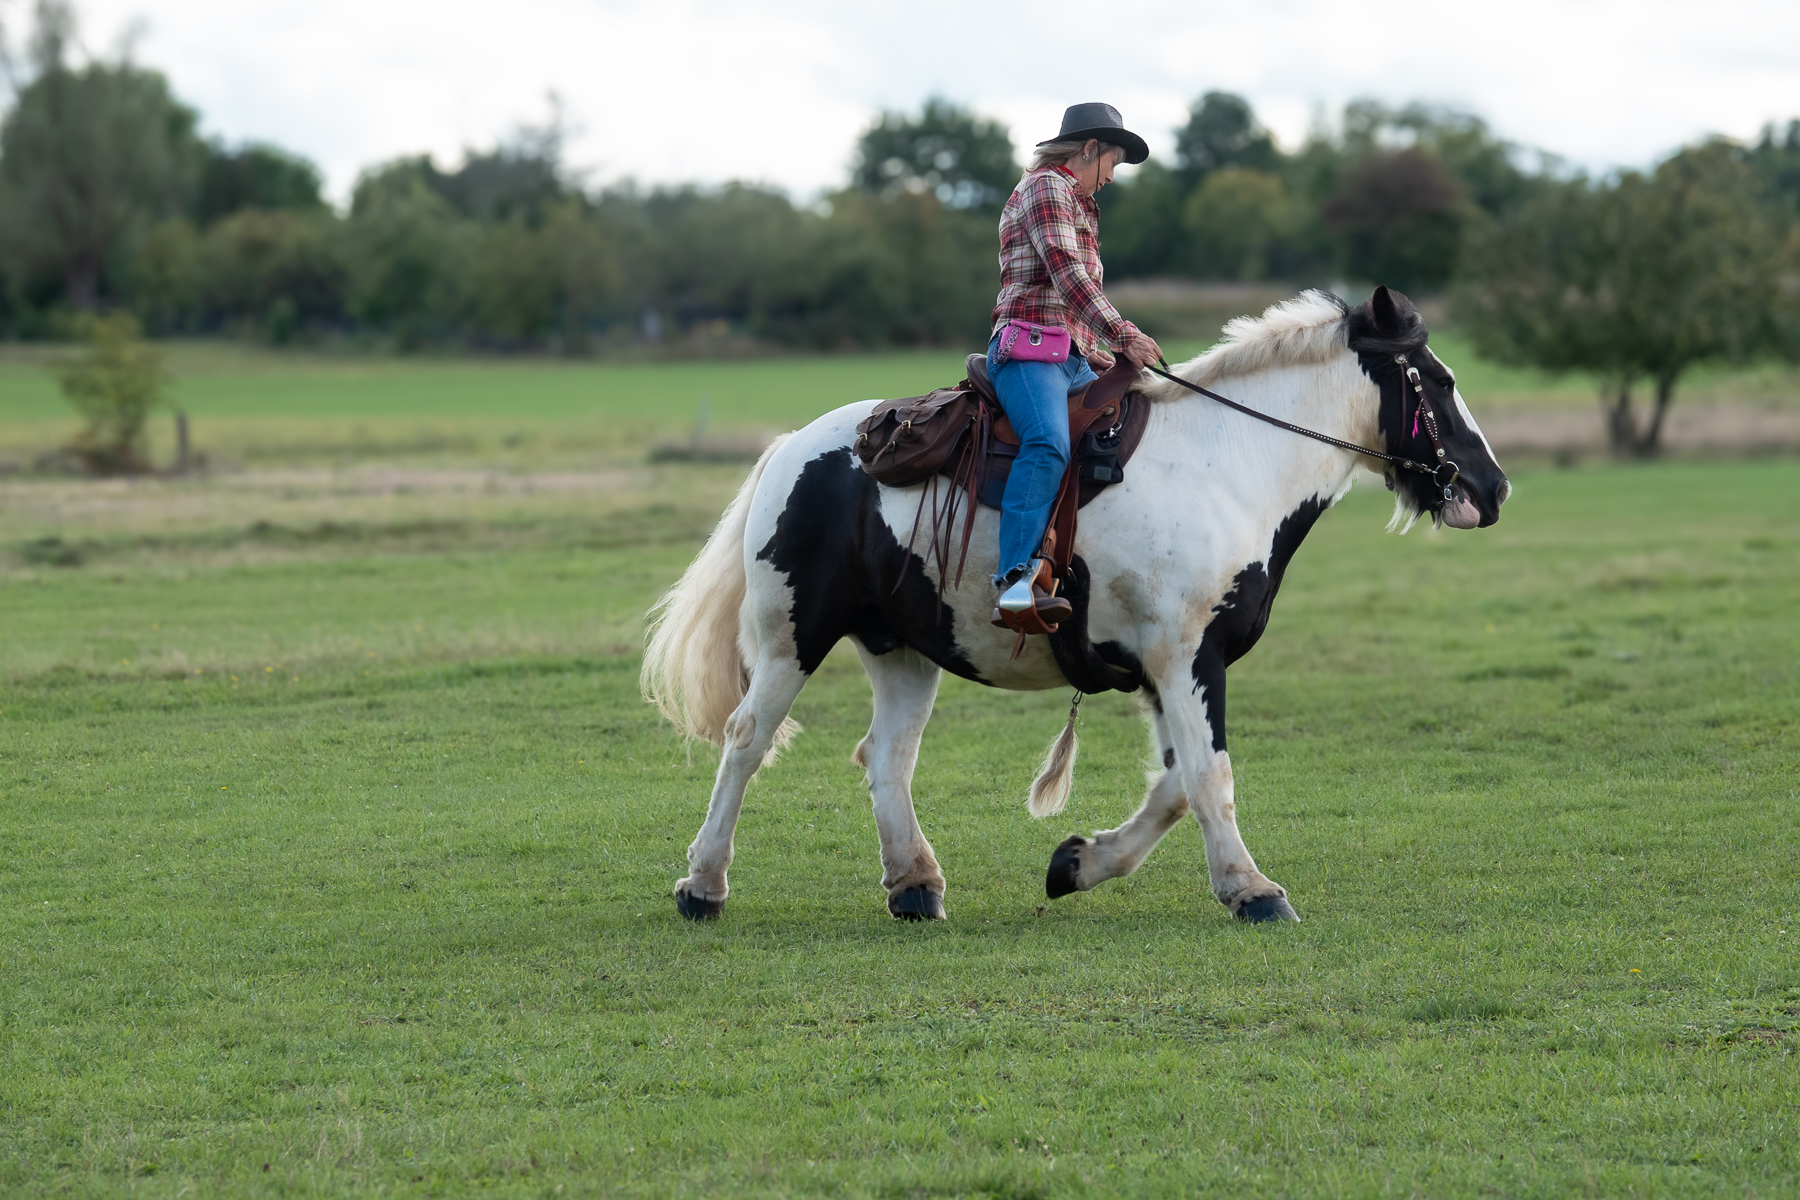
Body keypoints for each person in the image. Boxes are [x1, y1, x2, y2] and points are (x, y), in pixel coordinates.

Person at [988, 102, 1163, 627]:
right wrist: (1125, 334)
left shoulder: (1079, 202)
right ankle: (1015, 580)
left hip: (1071, 357)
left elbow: (1071, 306)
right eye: (1112, 161)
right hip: (1026, 349)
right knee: (1046, 442)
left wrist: (1102, 353)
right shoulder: (1048, 188)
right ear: (1089, 149)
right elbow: (1068, 276)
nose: (1113, 175)